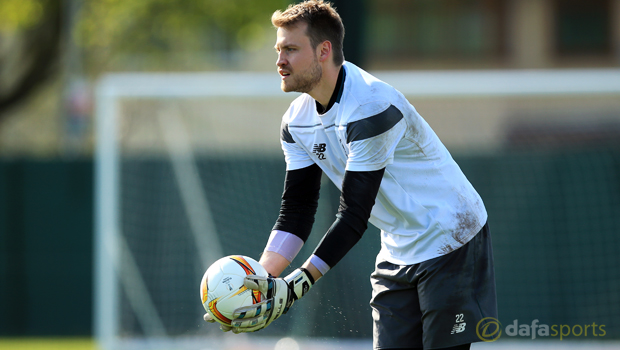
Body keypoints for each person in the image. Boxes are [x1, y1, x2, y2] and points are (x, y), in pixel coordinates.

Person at [204, 1, 497, 349]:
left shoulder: (370, 108)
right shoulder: (296, 122)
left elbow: (353, 215)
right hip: (398, 249)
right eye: (279, 50)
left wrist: (298, 284)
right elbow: (296, 212)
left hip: (452, 236)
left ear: (324, 50)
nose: (280, 60)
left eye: (291, 49)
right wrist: (262, 282)